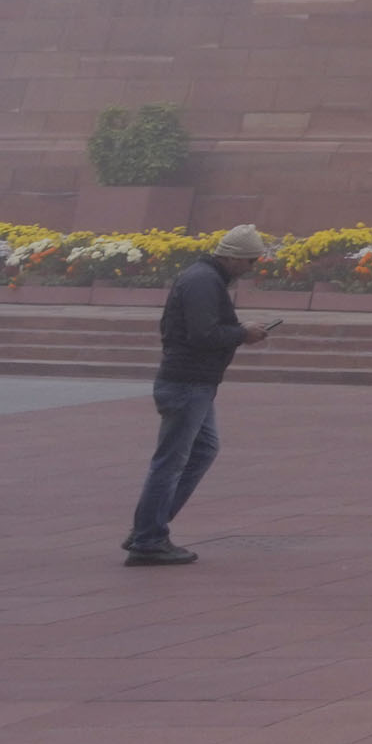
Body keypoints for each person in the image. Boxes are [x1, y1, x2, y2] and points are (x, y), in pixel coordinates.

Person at [126, 224, 269, 565]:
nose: (250, 269)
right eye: (250, 261)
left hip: (195, 382)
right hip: (187, 382)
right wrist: (242, 333)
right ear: (233, 258)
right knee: (171, 461)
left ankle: (150, 528)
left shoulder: (205, 278)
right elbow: (203, 334)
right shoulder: (203, 281)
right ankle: (148, 538)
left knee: (202, 450)